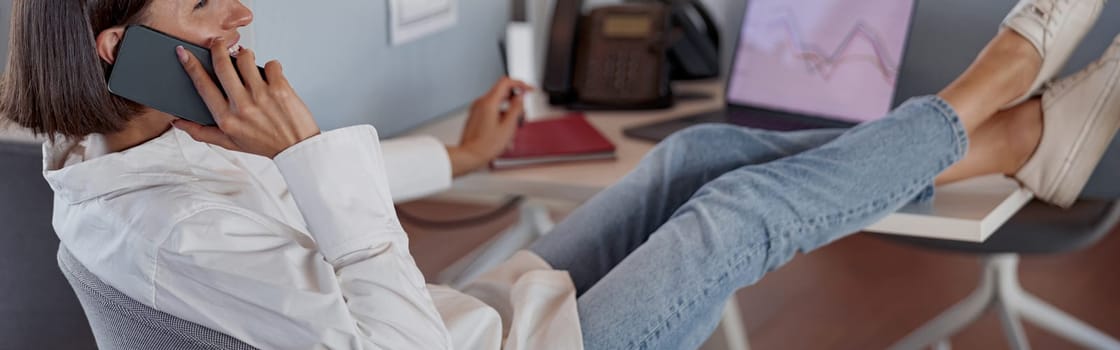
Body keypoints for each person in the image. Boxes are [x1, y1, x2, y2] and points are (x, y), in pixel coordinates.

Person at [1, 0, 1116, 349]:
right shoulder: (164, 232)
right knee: (735, 214)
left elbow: (291, 210)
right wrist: (304, 151)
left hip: (484, 320)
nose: (241, 14)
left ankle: (1006, 135)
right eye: (204, 6)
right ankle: (995, 106)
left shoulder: (133, 158)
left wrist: (459, 155)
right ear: (120, 49)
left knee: (692, 153)